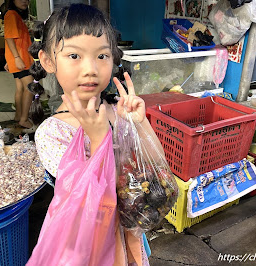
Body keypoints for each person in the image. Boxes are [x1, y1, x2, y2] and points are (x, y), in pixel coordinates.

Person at [26, 4, 165, 265]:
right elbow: (88, 200)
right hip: (89, 244)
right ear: (48, 61)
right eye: (74, 56)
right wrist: (100, 139)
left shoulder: (117, 112)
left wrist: (140, 124)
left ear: (113, 58)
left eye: (101, 56)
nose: (90, 68)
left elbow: (155, 167)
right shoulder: (52, 132)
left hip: (129, 233)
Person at [4, 0, 36, 133]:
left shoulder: (14, 15)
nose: (25, 1)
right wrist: (16, 58)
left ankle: (18, 116)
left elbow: (12, 39)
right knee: (30, 87)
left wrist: (11, 59)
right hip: (21, 59)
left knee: (20, 88)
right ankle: (23, 119)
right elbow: (9, 38)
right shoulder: (11, 14)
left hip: (18, 58)